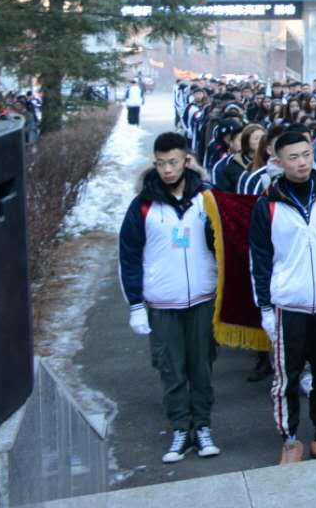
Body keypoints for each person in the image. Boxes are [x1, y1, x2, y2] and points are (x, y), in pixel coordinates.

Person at [249, 129, 316, 463]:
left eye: (306, 155)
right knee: (287, 378)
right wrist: (266, 307)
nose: (302, 163)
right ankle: (291, 438)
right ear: (278, 162)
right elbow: (259, 260)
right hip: (288, 304)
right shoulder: (267, 204)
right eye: (293, 157)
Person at [117, 132, 221, 463]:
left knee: (201, 368)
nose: (167, 169)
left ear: (186, 160)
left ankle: (202, 426)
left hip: (202, 299)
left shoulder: (206, 198)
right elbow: (129, 255)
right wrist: (136, 304)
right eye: (160, 163)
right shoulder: (144, 204)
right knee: (171, 369)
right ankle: (180, 427)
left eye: (173, 162)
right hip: (162, 303)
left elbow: (222, 244)